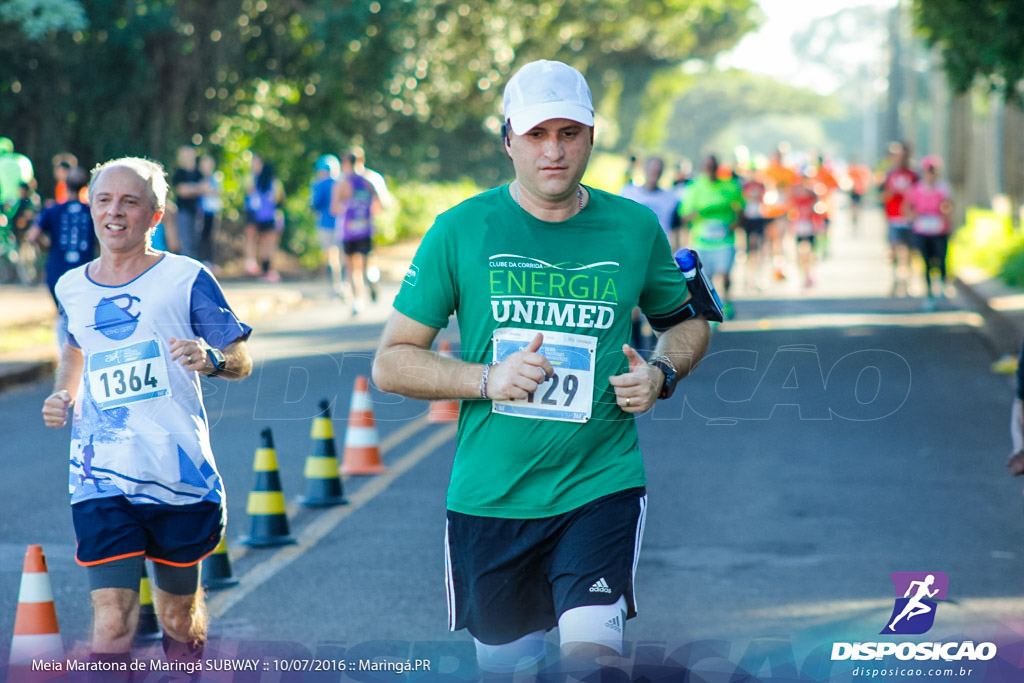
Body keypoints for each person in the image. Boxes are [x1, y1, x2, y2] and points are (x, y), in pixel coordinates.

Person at [372, 59, 712, 677]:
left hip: (598, 485)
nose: (552, 151)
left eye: (568, 133)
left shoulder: (635, 227)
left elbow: (688, 322)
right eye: (535, 135)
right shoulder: (458, 230)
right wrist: (486, 379)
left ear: (591, 137)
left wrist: (661, 372)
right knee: (509, 669)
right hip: (490, 500)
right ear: (508, 141)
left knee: (591, 662)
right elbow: (391, 363)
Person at [39, 157, 253, 669]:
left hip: (178, 474)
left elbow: (241, 359)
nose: (115, 212)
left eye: (130, 202)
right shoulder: (71, 286)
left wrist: (211, 359)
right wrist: (63, 393)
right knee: (112, 618)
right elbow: (74, 346)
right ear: (91, 207)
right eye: (105, 200)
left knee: (178, 619)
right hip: (101, 480)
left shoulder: (186, 278)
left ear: (155, 216)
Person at [680, 154, 744, 319]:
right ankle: (713, 307)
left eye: (713, 167)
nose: (710, 170)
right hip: (703, 242)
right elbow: (684, 216)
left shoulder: (729, 186)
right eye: (707, 167)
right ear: (702, 168)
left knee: (724, 275)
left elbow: (740, 208)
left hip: (724, 240)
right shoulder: (694, 187)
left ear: (717, 168)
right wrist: (697, 213)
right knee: (706, 278)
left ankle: (726, 300)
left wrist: (735, 224)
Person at [27, 167, 96, 303]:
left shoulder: (52, 210)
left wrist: (46, 247)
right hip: (86, 273)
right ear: (85, 185)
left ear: (65, 184)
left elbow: (32, 236)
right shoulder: (93, 211)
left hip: (57, 271)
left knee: (63, 315)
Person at [330, 152, 380, 313]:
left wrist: (347, 207)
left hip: (348, 231)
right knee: (365, 263)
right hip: (365, 228)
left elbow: (334, 209)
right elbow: (378, 205)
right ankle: (372, 278)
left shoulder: (342, 184)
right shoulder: (368, 182)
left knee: (351, 267)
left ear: (345, 164)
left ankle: (357, 301)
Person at [903, 155, 953, 311]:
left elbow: (949, 205)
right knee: (925, 262)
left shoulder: (943, 188)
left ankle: (943, 284)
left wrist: (945, 215)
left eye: (933, 171)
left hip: (939, 229)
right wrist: (913, 218)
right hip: (922, 229)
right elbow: (907, 206)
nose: (930, 174)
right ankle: (929, 294)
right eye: (927, 171)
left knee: (940, 258)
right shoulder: (916, 188)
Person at [880, 142, 918, 297]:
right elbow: (883, 196)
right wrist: (892, 192)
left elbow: (918, 196)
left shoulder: (914, 175)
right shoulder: (889, 175)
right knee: (895, 251)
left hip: (908, 219)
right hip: (893, 217)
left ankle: (908, 282)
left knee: (909, 252)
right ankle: (895, 281)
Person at [243, 154, 286, 282]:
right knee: (253, 238)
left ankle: (266, 269)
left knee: (268, 244)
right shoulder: (251, 179)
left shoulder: (273, 182)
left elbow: (279, 200)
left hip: (268, 216)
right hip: (254, 215)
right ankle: (251, 263)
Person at [311, 154, 343, 297]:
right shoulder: (340, 182)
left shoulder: (318, 184)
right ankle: (344, 284)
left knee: (330, 256)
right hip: (342, 224)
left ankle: (336, 286)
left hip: (324, 224)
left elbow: (315, 204)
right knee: (342, 255)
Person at [197, 154, 222, 269]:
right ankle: (202, 259)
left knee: (211, 236)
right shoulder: (198, 178)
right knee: (201, 236)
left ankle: (210, 261)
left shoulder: (216, 178)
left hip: (212, 211)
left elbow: (217, 192)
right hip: (201, 212)